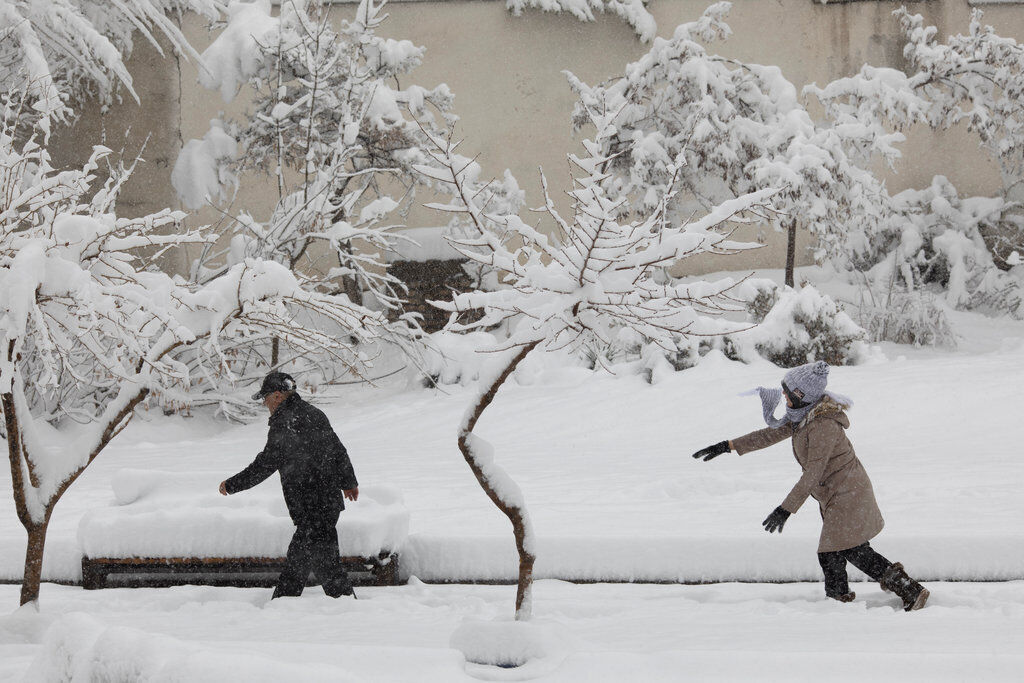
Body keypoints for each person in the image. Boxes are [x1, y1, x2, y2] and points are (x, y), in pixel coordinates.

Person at [691, 361, 929, 611]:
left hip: (848, 494)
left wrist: (785, 509)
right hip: (837, 493)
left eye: (788, 391)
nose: (783, 394)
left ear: (801, 396)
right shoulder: (804, 416)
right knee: (845, 549)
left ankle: (890, 594)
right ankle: (862, 597)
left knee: (839, 551)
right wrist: (727, 445)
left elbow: (812, 473)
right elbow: (768, 435)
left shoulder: (822, 425)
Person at [219, 371, 360, 599]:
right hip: (326, 502)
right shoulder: (314, 414)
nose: (265, 404)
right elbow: (338, 450)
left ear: (276, 395)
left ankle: (292, 603)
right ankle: (295, 601)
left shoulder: (285, 423)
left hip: (309, 504)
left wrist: (233, 484)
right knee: (313, 560)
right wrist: (348, 482)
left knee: (316, 562)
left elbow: (265, 464)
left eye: (265, 398)